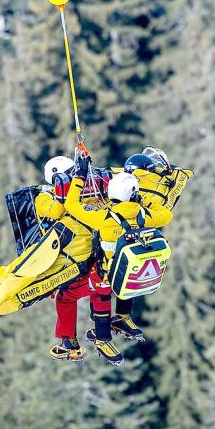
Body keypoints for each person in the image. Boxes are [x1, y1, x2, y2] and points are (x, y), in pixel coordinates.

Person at [64, 153, 173, 365]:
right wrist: (144, 201)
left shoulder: (104, 218)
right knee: (128, 276)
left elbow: (71, 205)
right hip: (129, 274)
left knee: (101, 292)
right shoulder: (145, 215)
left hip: (105, 274)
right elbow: (166, 214)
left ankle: (103, 337)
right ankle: (123, 315)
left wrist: (80, 175)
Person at [37, 156, 90, 361]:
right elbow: (58, 210)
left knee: (70, 295)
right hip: (70, 255)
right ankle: (69, 341)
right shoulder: (44, 197)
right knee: (66, 296)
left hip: (86, 254)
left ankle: (73, 340)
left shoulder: (84, 192)